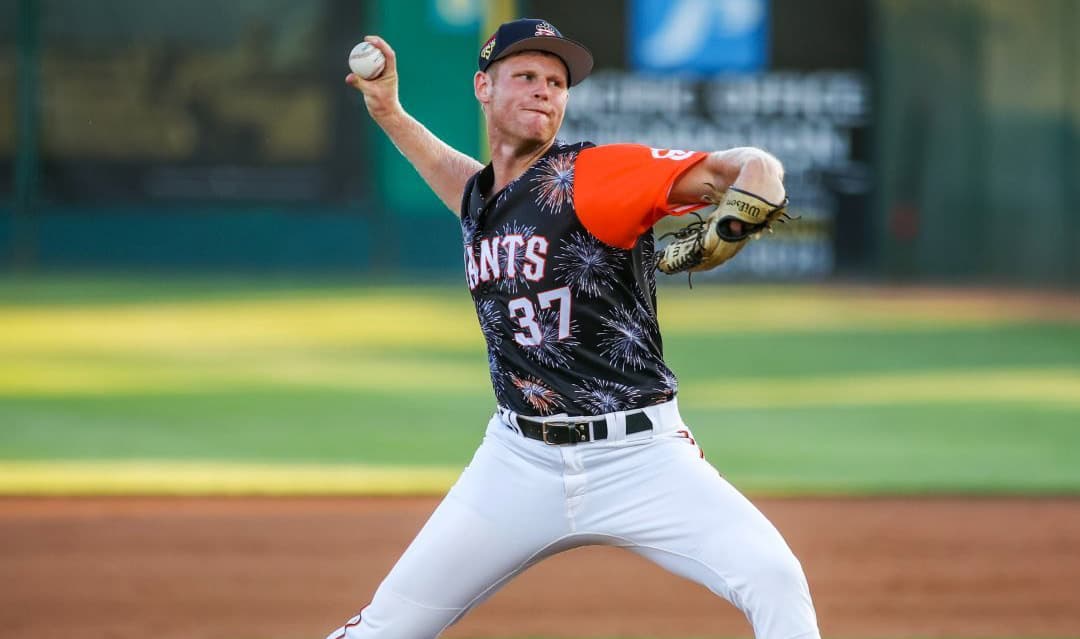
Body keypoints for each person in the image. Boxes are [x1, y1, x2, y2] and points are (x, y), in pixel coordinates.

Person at [328, 18, 819, 639]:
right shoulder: (487, 196)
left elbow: (749, 170)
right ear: (483, 87)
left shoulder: (593, 174)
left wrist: (736, 220)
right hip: (516, 462)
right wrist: (391, 114)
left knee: (773, 577)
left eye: (557, 82)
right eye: (526, 76)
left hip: (640, 458)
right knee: (385, 628)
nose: (544, 90)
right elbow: (464, 185)